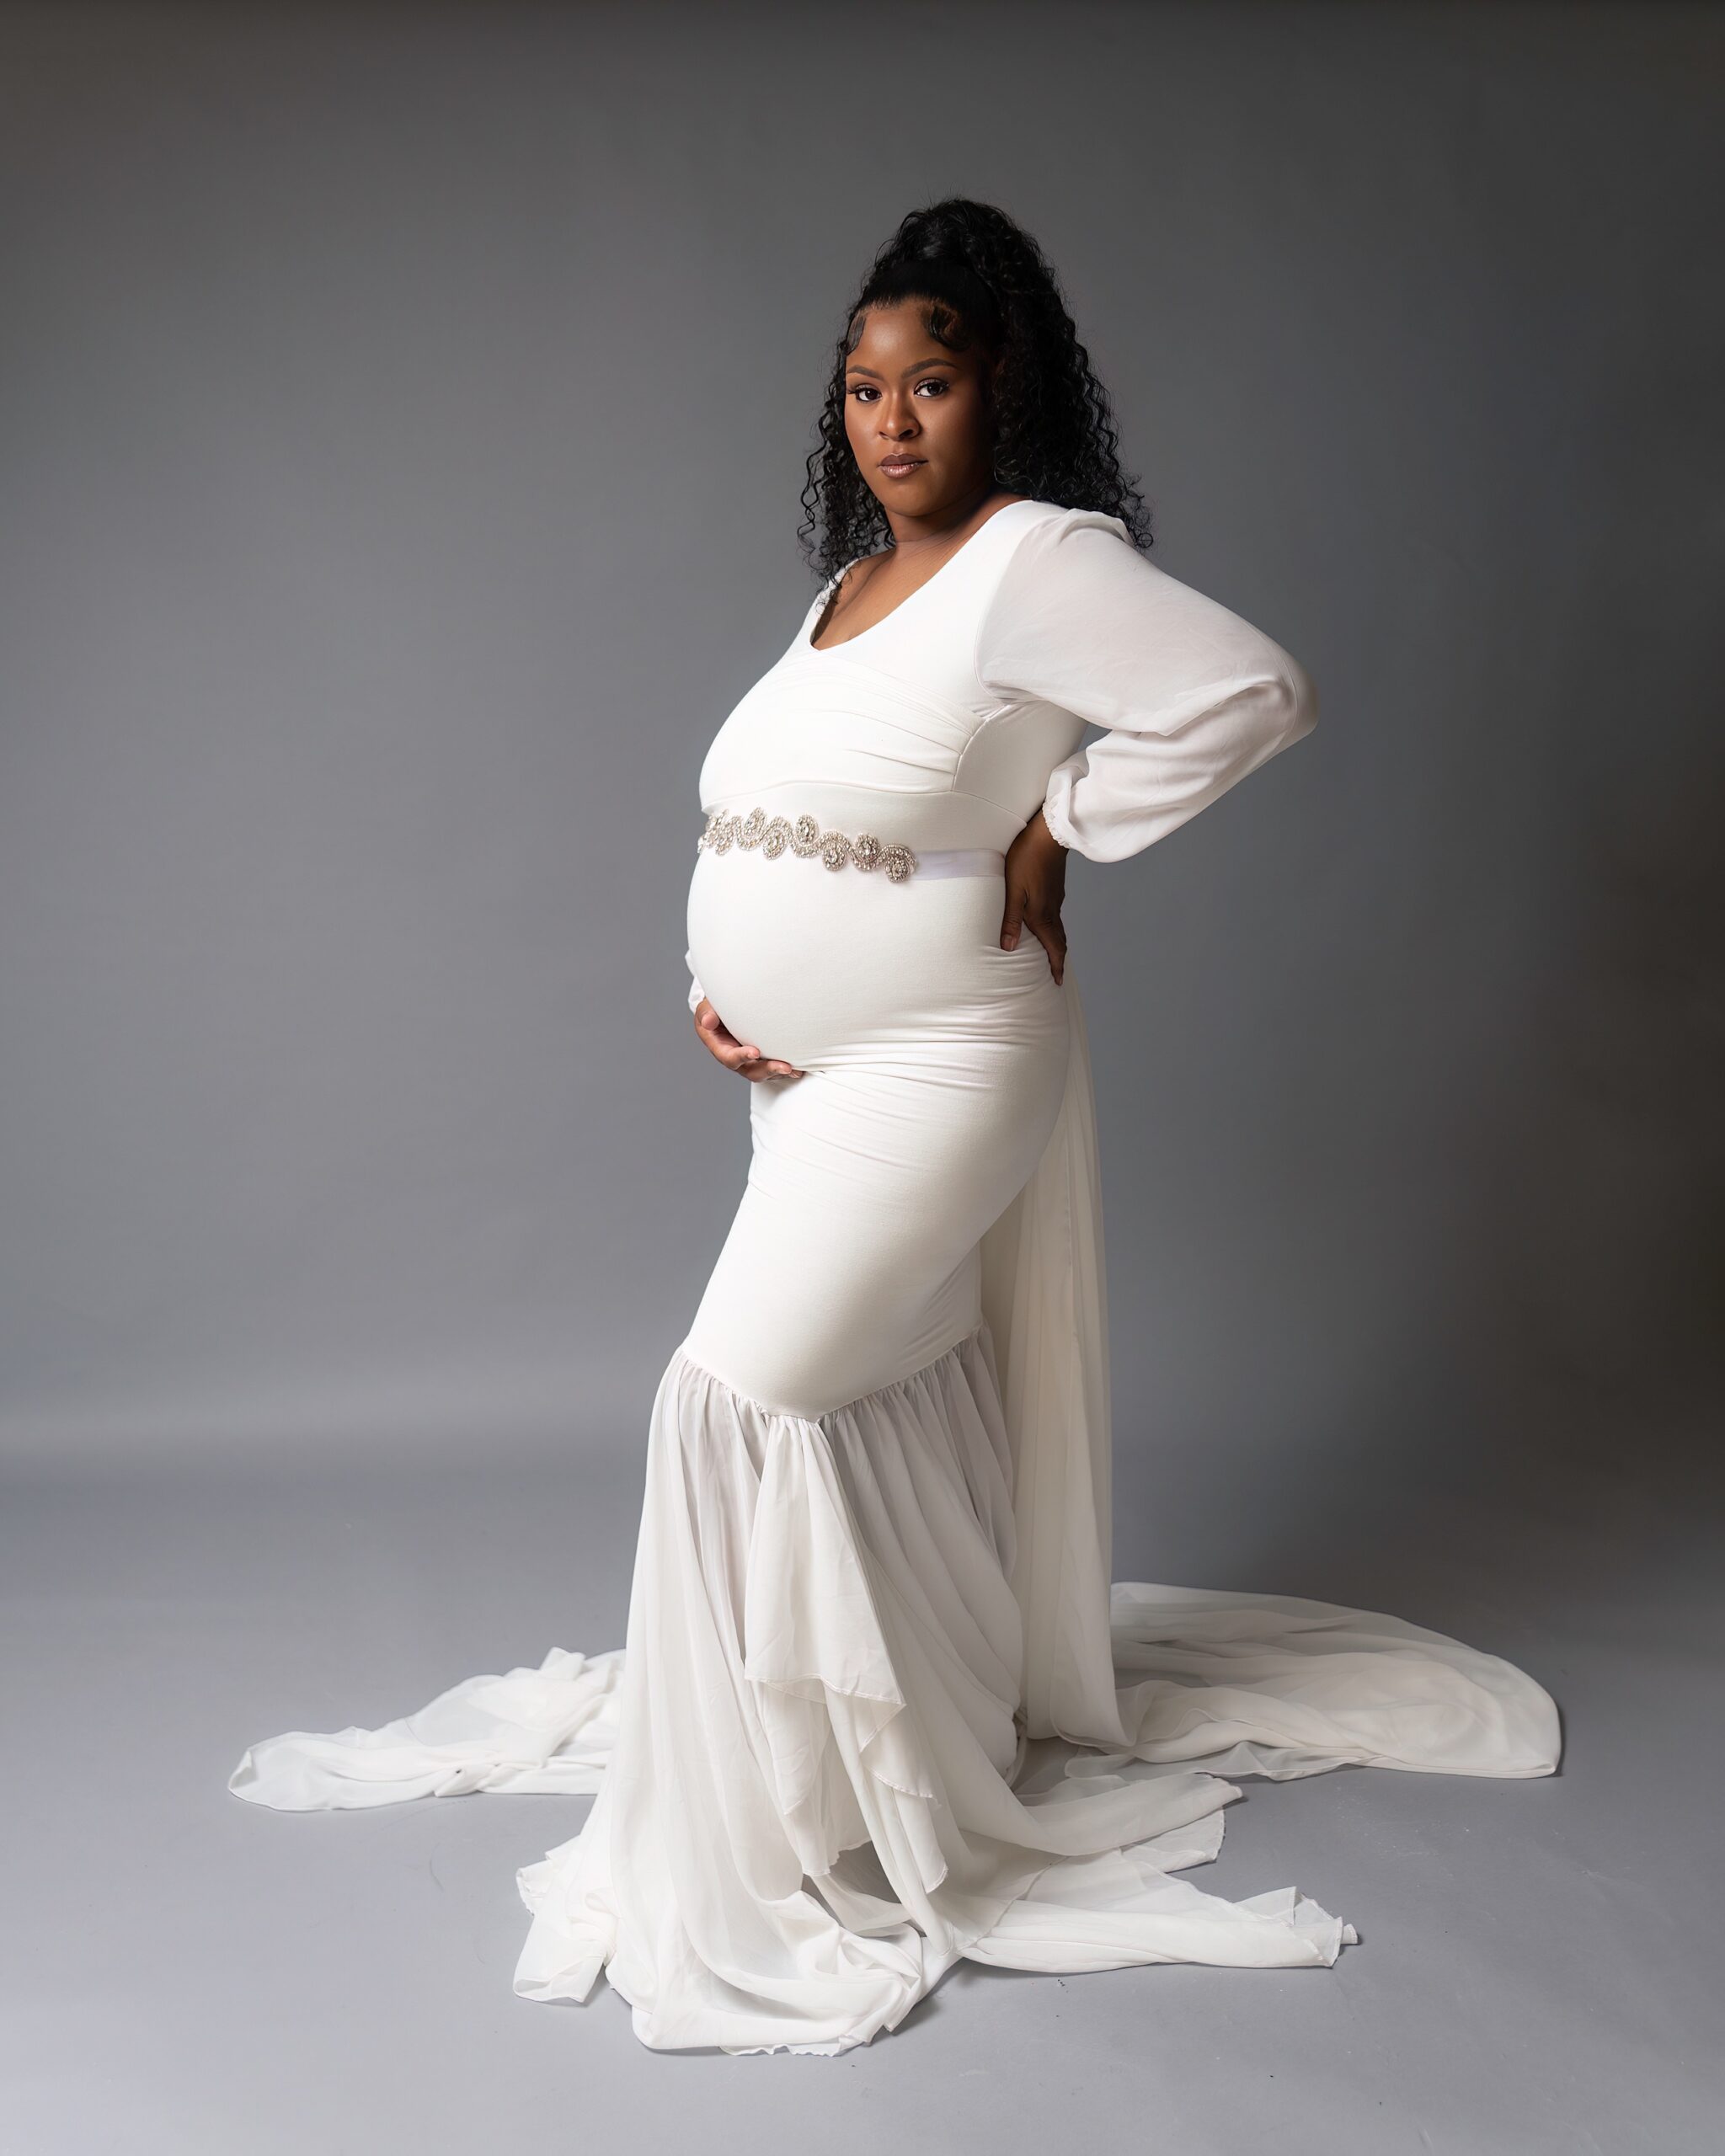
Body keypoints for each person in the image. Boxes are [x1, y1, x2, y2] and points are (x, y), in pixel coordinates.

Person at [228, 198, 1561, 2057]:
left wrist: (1059, 825)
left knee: (740, 1391)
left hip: (943, 1059)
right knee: (888, 1388)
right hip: (809, 1076)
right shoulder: (844, 584)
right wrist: (732, 987)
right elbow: (801, 808)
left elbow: (1252, 689)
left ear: (997, 386)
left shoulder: (1034, 557)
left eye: (927, 380)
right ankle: (886, 1746)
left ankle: (756, 1834)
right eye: (862, 386)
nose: (890, 419)